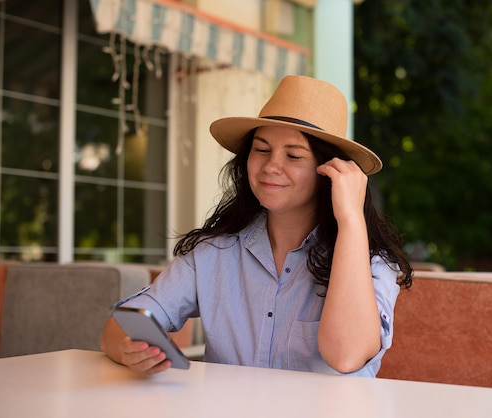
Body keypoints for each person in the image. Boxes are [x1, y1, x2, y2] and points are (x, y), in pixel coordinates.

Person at [100, 75, 413, 377]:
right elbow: (123, 324)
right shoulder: (214, 252)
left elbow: (346, 355)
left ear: (329, 172)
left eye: (293, 155)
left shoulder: (373, 261)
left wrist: (350, 219)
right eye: (261, 150)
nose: (271, 166)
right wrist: (127, 348)